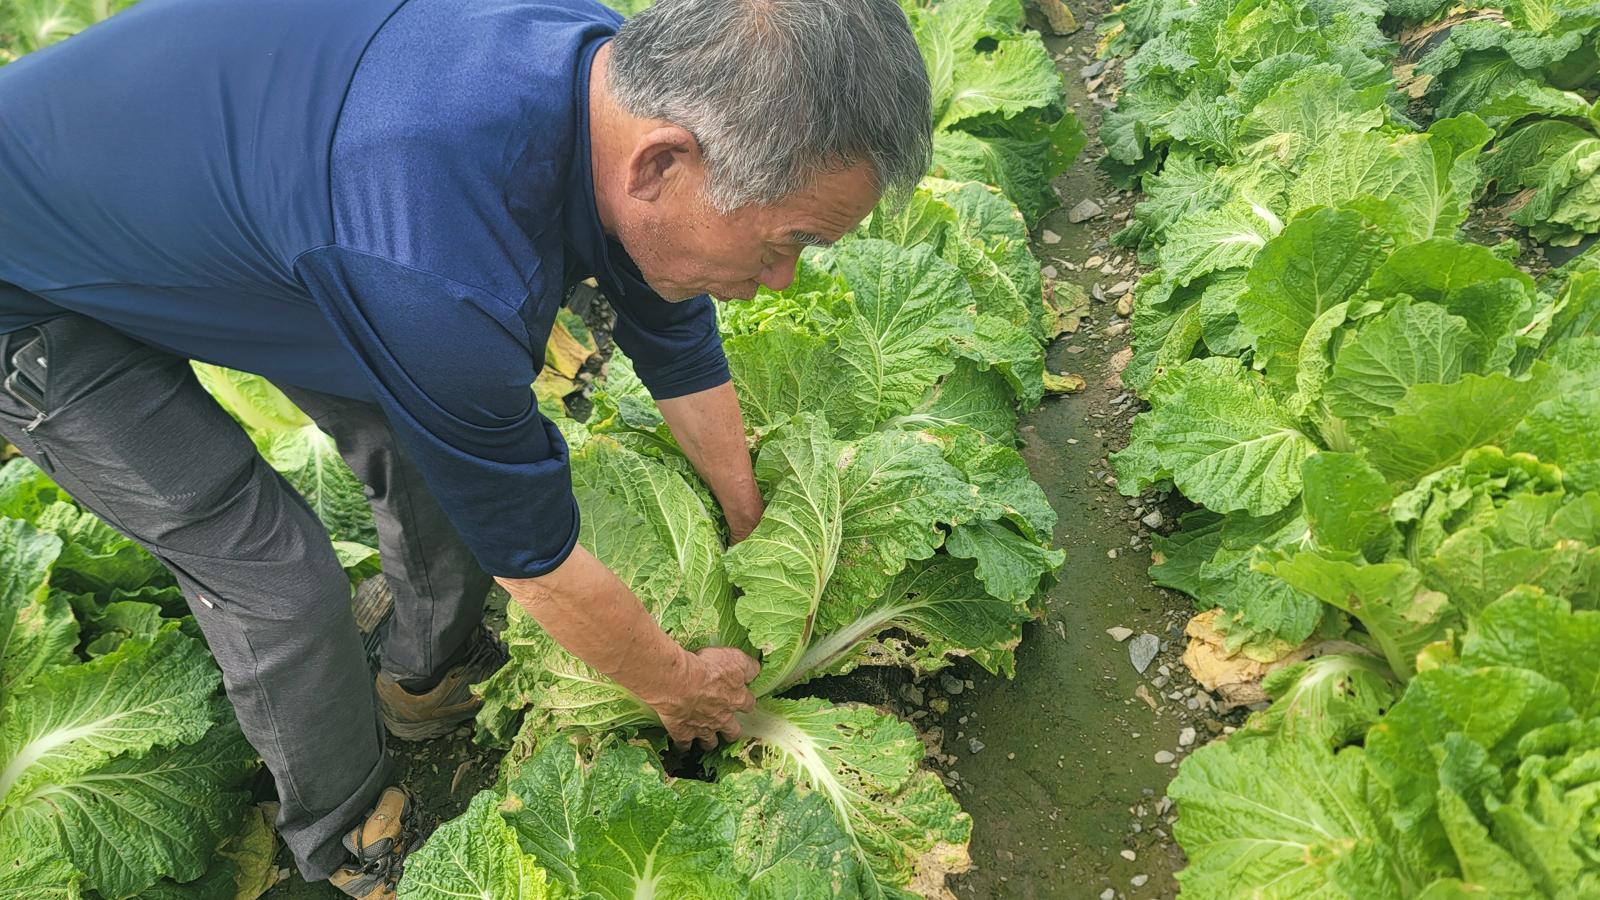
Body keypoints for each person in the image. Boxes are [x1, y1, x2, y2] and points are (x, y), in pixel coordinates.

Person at [0, 0, 932, 895]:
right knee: (272, 571)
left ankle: (421, 673)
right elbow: (536, 564)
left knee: (418, 435)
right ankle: (340, 828)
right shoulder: (437, 272)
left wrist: (749, 517)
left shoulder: (618, 73)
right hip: (25, 282)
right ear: (661, 165)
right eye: (785, 244)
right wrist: (680, 686)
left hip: (237, 207)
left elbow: (671, 321)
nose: (780, 280)